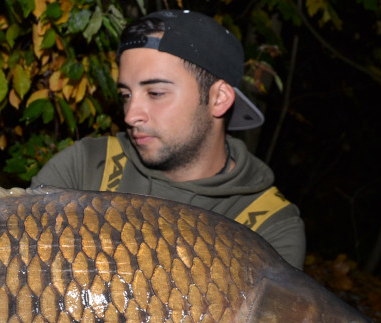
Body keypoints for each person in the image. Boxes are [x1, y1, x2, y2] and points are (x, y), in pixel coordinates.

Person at [31, 9, 306, 269]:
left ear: (218, 99)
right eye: (126, 95)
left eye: (156, 93)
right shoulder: (85, 170)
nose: (131, 116)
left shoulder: (269, 224)